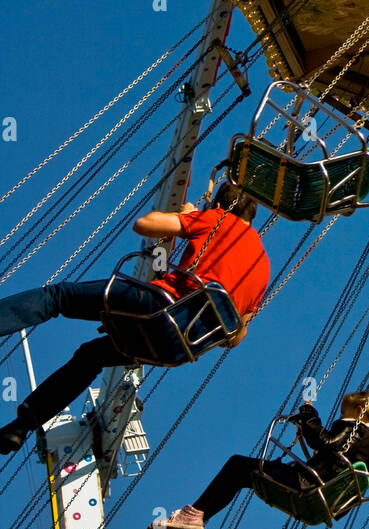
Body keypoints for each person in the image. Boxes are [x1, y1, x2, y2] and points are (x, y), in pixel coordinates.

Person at [0, 182, 269, 455]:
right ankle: (22, 426)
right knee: (91, 357)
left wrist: (188, 215)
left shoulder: (218, 219)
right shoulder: (264, 268)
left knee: (58, 296)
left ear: (221, 206)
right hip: (177, 346)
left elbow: (145, 225)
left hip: (159, 308)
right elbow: (235, 338)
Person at [147, 391, 369, 529]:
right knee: (251, 471)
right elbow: (331, 457)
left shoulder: (353, 428)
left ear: (359, 411)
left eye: (342, 412)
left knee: (237, 466)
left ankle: (194, 515)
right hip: (324, 504)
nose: (339, 417)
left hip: (306, 485)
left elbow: (323, 440)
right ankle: (197, 517)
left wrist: (309, 413)